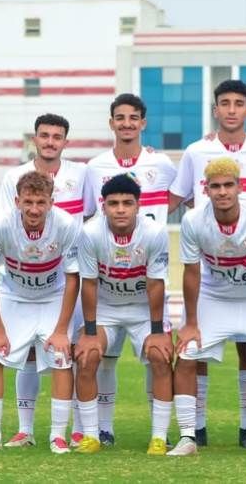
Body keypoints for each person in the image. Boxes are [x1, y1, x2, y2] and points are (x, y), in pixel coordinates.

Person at [168, 79, 246, 449]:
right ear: (215, 109)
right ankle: (194, 430)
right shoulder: (196, 150)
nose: (231, 110)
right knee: (193, 350)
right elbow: (175, 196)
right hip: (215, 276)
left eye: (238, 103)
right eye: (225, 103)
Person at [83, 93, 177, 447]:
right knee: (97, 357)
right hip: (108, 291)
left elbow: (183, 193)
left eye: (133, 117)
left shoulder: (162, 163)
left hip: (145, 287)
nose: (126, 123)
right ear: (111, 123)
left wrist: (149, 223)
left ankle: (159, 436)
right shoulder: (95, 167)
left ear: (143, 122)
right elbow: (88, 212)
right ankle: (99, 431)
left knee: (159, 355)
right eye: (120, 118)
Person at [0, 113, 90, 449]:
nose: (50, 142)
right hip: (26, 276)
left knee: (69, 350)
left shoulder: (82, 174)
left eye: (57, 136)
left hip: (68, 277)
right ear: (35, 139)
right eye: (44, 136)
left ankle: (75, 428)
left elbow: (95, 214)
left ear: (66, 141)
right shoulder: (14, 177)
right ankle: (25, 429)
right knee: (28, 353)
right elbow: (6, 223)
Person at [0, 171, 81, 455]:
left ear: (51, 203)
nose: (34, 209)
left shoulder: (66, 225)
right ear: (17, 201)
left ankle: (57, 436)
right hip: (13, 295)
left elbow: (73, 278)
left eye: (41, 202)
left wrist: (61, 330)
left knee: (62, 357)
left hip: (53, 295)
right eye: (28, 202)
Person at [73, 174, 174, 455]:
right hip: (106, 308)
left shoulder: (154, 232)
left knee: (160, 356)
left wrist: (157, 332)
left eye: (127, 203)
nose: (120, 209)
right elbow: (88, 284)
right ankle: (92, 435)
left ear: (138, 206)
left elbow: (156, 284)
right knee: (87, 357)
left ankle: (159, 437)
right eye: (113, 203)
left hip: (144, 309)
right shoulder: (90, 233)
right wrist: (89, 332)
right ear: (103, 206)